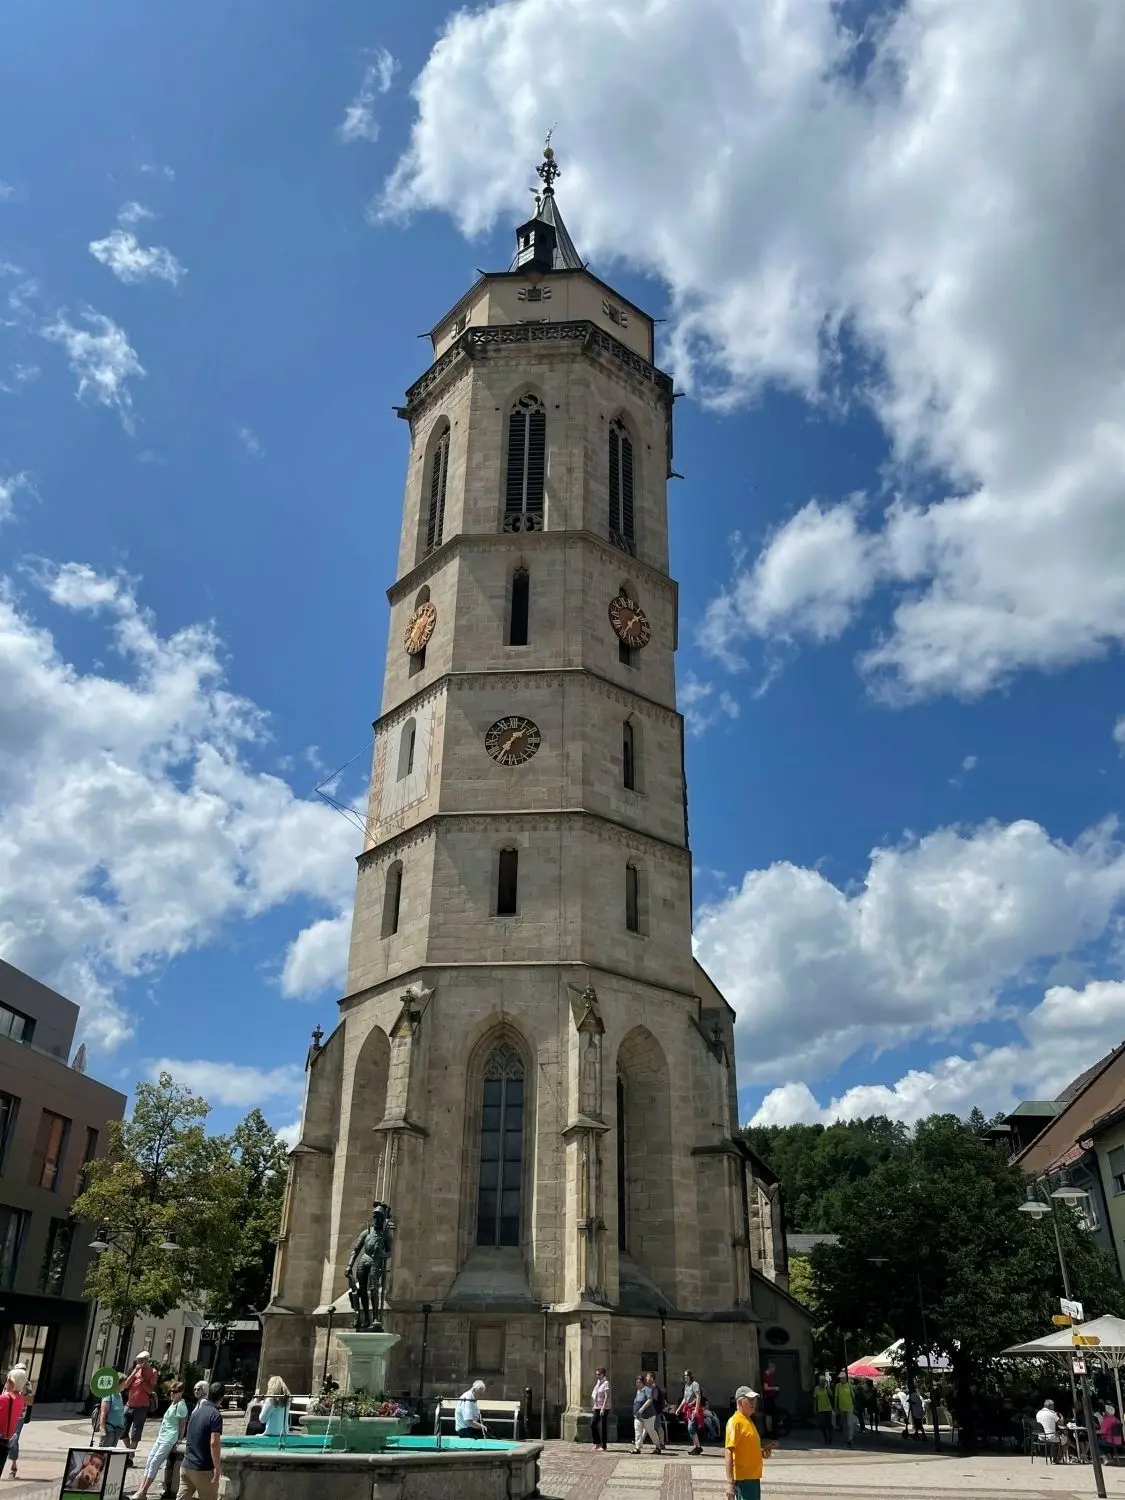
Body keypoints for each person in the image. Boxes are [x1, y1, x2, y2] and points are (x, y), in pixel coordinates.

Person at [130, 1379, 188, 1499]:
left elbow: (183, 1424)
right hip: (162, 1436)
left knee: (155, 1462)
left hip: (169, 1437)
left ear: (181, 1392)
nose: (172, 1394)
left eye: (175, 1391)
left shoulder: (181, 1405)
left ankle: (143, 1491)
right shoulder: (173, 1404)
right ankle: (141, 1490)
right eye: (171, 1391)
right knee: (150, 1461)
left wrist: (179, 1439)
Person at [725, 1385, 775, 1500]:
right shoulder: (735, 1421)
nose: (754, 1403)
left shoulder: (748, 1421)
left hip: (753, 1477)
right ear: (740, 1401)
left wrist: (762, 1453)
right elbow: (728, 1452)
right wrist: (730, 1483)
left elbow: (747, 1448)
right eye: (750, 1400)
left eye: (755, 1400)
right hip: (744, 1479)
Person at [178, 1380, 224, 1499]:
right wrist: (217, 1469)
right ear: (222, 1398)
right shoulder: (215, 1415)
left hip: (186, 1466)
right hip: (202, 1469)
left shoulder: (195, 1412)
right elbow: (214, 1443)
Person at [121, 1350, 159, 1452]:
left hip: (142, 1406)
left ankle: (129, 1456)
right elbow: (126, 1385)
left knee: (136, 1433)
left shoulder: (153, 1372)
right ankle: (130, 1452)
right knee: (122, 1430)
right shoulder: (134, 1370)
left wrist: (142, 1380)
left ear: (146, 1361)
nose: (138, 1363)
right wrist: (134, 1372)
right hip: (129, 1405)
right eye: (137, 1361)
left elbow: (150, 1390)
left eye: (141, 1361)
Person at [0, 1368, 28, 1479]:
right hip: (5, 1442)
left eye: (8, 1380)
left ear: (12, 1382)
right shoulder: (20, 1400)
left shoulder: (5, 1398)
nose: (6, 1382)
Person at [632, 1375, 662, 1454]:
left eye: (639, 1382)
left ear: (643, 1383)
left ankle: (658, 1447)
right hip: (638, 1416)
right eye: (636, 1382)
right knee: (637, 1431)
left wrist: (641, 1409)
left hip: (648, 1416)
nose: (637, 1384)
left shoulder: (647, 1390)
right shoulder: (638, 1391)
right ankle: (637, 1448)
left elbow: (650, 1400)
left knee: (651, 1431)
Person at [678, 1377, 705, 1456]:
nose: (685, 1378)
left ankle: (698, 1447)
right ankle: (696, 1446)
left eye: (686, 1376)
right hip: (688, 1409)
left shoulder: (695, 1384)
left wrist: (696, 1409)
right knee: (690, 1429)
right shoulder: (686, 1386)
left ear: (690, 1377)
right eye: (684, 1377)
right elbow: (685, 1399)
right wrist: (679, 1408)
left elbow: (698, 1397)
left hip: (693, 1409)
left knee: (691, 1428)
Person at [97, 1377, 127, 1448]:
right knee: (105, 1450)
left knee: (112, 1451)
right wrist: (102, 1428)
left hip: (118, 1429)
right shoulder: (108, 1395)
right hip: (109, 1428)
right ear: (118, 1384)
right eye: (124, 1382)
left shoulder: (119, 1395)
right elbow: (103, 1413)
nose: (125, 1384)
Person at [1036, 1397, 1066, 1463]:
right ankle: (1057, 1459)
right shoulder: (1052, 1413)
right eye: (1053, 1406)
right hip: (1050, 1436)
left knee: (1054, 1441)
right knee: (1066, 1441)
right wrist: (1061, 1416)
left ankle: (1054, 1458)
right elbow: (1061, 1423)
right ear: (1050, 1406)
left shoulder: (1038, 1413)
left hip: (1041, 1436)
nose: (1054, 1407)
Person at [645, 1372, 669, 1450]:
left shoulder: (654, 1387)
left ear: (652, 1378)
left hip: (655, 1410)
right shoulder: (652, 1387)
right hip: (654, 1410)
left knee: (658, 1426)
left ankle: (662, 1443)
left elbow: (654, 1399)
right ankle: (639, 1441)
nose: (646, 1378)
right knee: (648, 1427)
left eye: (647, 1377)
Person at [590, 1367, 610, 1452]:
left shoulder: (606, 1383)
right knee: (593, 1424)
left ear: (603, 1374)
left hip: (604, 1408)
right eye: (596, 1374)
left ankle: (604, 1446)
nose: (597, 1376)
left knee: (603, 1426)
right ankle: (597, 1443)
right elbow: (596, 1395)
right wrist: (595, 1406)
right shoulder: (598, 1383)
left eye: (598, 1374)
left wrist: (603, 1408)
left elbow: (606, 1396)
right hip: (597, 1407)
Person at [835, 1372, 857, 1447]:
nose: (841, 1379)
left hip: (849, 1407)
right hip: (841, 1408)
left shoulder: (849, 1385)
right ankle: (847, 1439)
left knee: (849, 1424)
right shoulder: (838, 1386)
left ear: (845, 1378)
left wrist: (854, 1405)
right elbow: (836, 1397)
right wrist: (836, 1407)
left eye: (842, 1378)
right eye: (840, 1378)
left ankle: (850, 1438)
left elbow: (853, 1396)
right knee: (844, 1424)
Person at [813, 1376, 834, 1444]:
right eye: (820, 1381)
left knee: (829, 1424)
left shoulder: (826, 1388)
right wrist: (815, 1408)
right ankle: (825, 1438)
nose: (821, 1382)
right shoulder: (816, 1389)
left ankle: (830, 1438)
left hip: (828, 1408)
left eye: (823, 1381)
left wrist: (827, 1386)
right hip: (821, 1409)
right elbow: (815, 1399)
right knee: (822, 1425)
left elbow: (831, 1394)